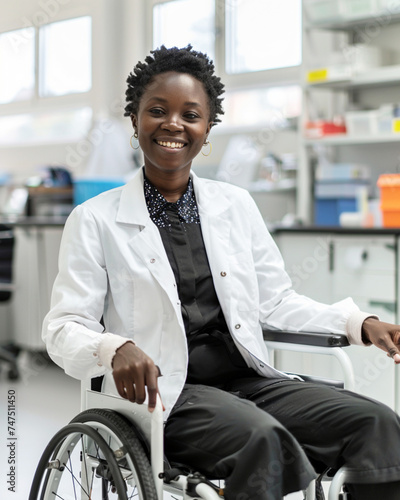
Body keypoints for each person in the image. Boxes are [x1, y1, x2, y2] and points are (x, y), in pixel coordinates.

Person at [43, 45, 400, 500]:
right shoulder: (94, 219)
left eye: (190, 115)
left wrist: (359, 324)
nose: (173, 124)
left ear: (206, 130)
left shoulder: (235, 205)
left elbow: (275, 301)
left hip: (248, 382)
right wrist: (113, 347)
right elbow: (62, 329)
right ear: (135, 121)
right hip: (169, 395)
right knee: (262, 439)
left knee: (378, 423)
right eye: (158, 111)